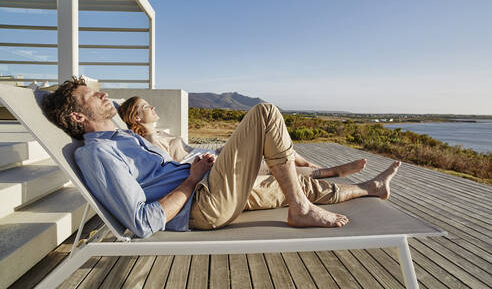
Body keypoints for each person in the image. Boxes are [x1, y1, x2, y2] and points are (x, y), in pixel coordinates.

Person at [42, 78, 401, 238]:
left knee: (296, 184)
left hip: (207, 186)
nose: (103, 93)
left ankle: (370, 189)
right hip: (202, 203)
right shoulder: (99, 154)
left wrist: (197, 169)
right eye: (92, 95)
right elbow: (142, 221)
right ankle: (300, 210)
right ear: (77, 117)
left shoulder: (121, 137)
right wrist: (191, 178)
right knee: (264, 114)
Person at [117, 96, 368, 178]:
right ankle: (323, 172)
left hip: (213, 155)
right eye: (146, 106)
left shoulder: (160, 133)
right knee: (269, 165)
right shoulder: (149, 143)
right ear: (137, 118)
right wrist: (202, 161)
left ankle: (312, 166)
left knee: (267, 143)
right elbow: (172, 170)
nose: (152, 107)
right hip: (210, 166)